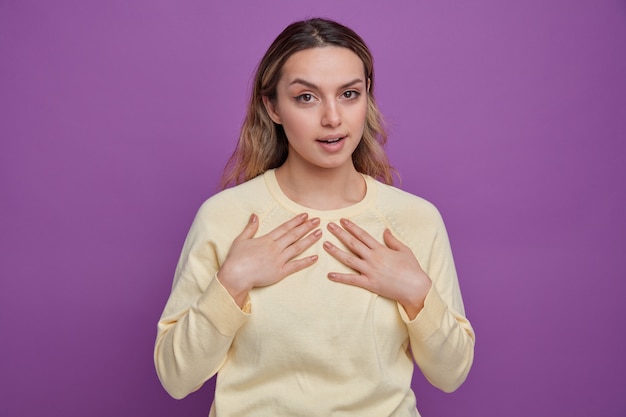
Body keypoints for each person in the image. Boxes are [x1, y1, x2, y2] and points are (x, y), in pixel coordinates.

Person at [154, 17, 475, 417]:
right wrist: (232, 283)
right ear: (272, 106)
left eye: (349, 94)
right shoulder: (225, 217)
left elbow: (452, 374)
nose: (332, 118)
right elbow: (176, 377)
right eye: (306, 97)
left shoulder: (415, 219)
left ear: (367, 96)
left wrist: (416, 292)